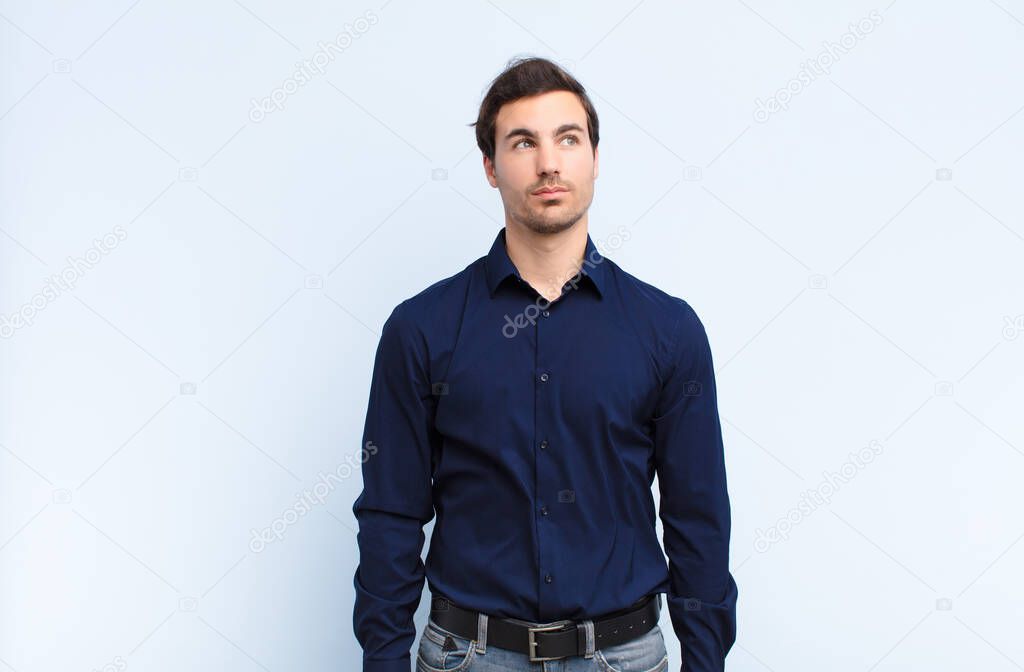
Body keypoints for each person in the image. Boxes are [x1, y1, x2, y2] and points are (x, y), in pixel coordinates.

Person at [352, 55, 737, 672]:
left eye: (568, 138)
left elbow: (698, 513)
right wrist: (384, 658)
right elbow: (391, 511)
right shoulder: (420, 329)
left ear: (594, 158)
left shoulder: (667, 330)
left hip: (624, 657)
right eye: (522, 142)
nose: (548, 162)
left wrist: (707, 658)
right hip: (467, 657)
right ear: (490, 167)